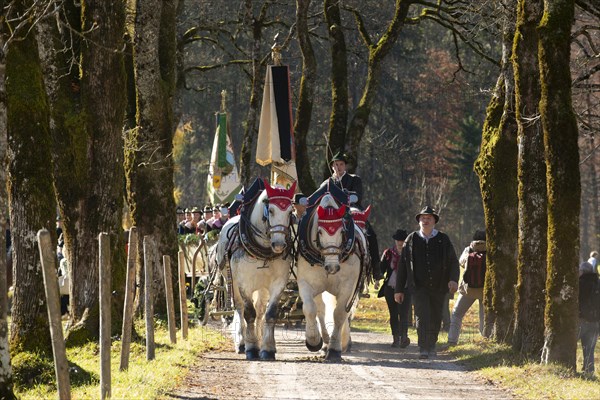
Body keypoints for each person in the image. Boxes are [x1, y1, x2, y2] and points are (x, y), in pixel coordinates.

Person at [394, 205, 459, 359]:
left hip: (439, 286)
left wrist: (453, 280)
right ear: (419, 221)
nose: (425, 220)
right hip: (418, 287)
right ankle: (423, 346)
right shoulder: (411, 239)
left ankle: (431, 345)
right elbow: (402, 265)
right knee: (422, 316)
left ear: (434, 221)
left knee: (436, 316)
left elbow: (453, 262)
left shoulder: (443, 239)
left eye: (428, 218)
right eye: (423, 218)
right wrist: (399, 289)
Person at [322, 151, 379, 274]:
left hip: (352, 212)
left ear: (345, 166)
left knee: (371, 235)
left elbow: (357, 197)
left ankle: (376, 269)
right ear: (332, 166)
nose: (338, 167)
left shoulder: (354, 179)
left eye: (341, 164)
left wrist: (345, 194)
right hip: (332, 214)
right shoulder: (327, 183)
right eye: (335, 164)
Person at [447, 230, 487, 345]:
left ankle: (452, 340)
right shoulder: (491, 250)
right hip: (484, 289)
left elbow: (461, 262)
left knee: (457, 313)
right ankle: (484, 340)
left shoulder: (468, 249)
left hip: (468, 289)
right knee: (483, 317)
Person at [378, 229, 411, 348]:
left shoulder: (410, 253)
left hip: (406, 288)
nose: (400, 242)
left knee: (404, 313)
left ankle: (404, 337)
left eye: (402, 240)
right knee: (393, 313)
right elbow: (381, 268)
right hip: (390, 288)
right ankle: (395, 338)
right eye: (398, 240)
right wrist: (377, 280)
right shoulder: (388, 253)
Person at [578, 261, 600, 375]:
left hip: (581, 320)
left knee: (570, 344)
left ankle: (567, 365)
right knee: (590, 349)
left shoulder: (580, 283)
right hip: (595, 321)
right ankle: (589, 371)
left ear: (582, 271)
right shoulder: (598, 283)